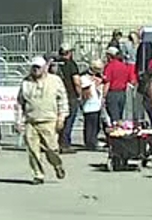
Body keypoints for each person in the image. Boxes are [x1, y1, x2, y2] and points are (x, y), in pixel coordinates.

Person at [18, 56, 67, 184]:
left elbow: (62, 100)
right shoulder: (26, 82)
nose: (35, 70)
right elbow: (19, 103)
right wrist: (18, 121)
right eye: (33, 67)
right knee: (33, 150)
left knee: (51, 149)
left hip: (49, 120)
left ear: (45, 68)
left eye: (38, 67)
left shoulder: (55, 81)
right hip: (31, 120)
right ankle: (38, 175)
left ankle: (57, 165)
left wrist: (61, 117)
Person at [56, 48, 83, 150]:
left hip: (57, 95)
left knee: (59, 119)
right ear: (69, 53)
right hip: (70, 95)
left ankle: (57, 142)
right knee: (69, 120)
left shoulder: (56, 64)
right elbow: (76, 82)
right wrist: (79, 94)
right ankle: (65, 143)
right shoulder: (71, 65)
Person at [77, 64, 104, 151]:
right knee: (89, 125)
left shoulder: (98, 78)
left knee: (96, 125)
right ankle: (89, 143)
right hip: (89, 104)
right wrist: (93, 82)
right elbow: (85, 91)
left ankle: (93, 140)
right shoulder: (84, 78)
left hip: (97, 104)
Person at [103, 48, 135, 122]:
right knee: (119, 116)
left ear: (109, 56)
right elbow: (131, 80)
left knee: (114, 117)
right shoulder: (124, 66)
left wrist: (103, 96)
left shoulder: (110, 66)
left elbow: (107, 82)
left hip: (112, 93)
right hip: (122, 93)